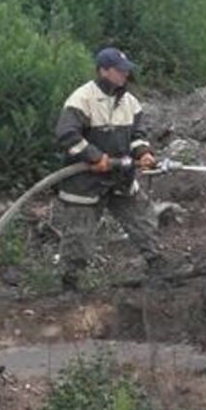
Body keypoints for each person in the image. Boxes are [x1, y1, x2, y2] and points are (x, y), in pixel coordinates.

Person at [54, 47, 163, 290]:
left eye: (127, 70)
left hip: (120, 178)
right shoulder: (82, 99)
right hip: (84, 182)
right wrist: (95, 157)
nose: (125, 74)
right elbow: (66, 134)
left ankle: (158, 267)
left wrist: (143, 152)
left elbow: (137, 135)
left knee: (142, 219)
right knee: (78, 237)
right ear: (104, 70)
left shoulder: (130, 102)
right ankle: (69, 285)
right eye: (120, 70)